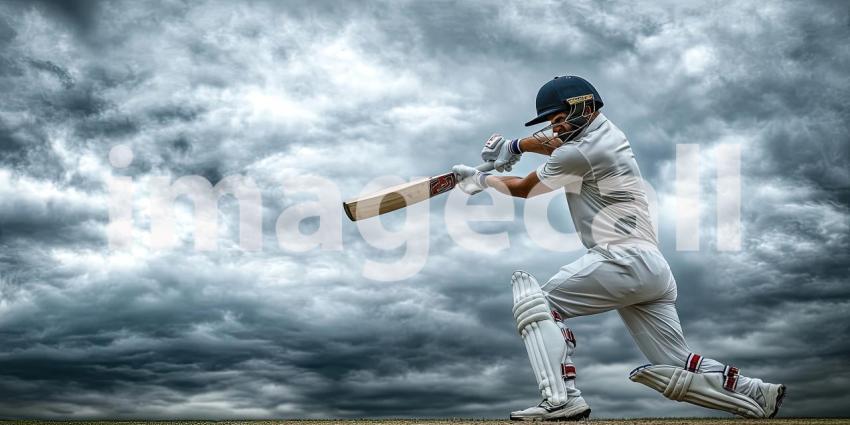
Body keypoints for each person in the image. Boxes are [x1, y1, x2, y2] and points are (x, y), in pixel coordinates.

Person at [452, 76, 785, 421]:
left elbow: (523, 188)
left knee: (537, 304)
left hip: (622, 259)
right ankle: (754, 390)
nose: (557, 126)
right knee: (675, 361)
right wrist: (514, 146)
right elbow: (557, 143)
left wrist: (479, 180)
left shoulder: (578, 151)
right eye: (553, 122)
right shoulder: (607, 133)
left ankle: (561, 399)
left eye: (559, 117)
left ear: (583, 105)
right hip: (652, 268)